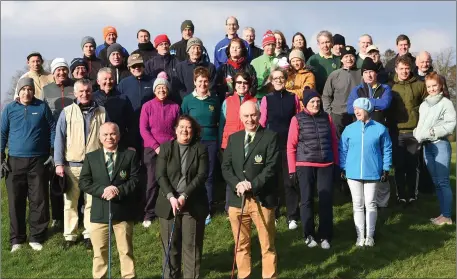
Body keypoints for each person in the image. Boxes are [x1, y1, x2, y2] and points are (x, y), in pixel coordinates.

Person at [222, 101, 280, 279]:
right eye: (246, 116)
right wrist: (237, 184)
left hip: (261, 199)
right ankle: (244, 276)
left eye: (253, 115)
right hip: (237, 199)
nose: (250, 119)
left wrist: (252, 184)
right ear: (240, 117)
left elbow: (271, 167)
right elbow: (226, 167)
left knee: (267, 245)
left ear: (259, 115)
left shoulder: (270, 137)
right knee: (241, 245)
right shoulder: (234, 138)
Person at [1, 77, 56, 252]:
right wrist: (1, 157)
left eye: (30, 89)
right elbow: (2, 133)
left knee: (38, 199)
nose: (27, 92)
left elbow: (53, 128)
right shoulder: (9, 109)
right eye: (23, 89)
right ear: (18, 91)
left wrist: (53, 151)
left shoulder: (41, 107)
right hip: (15, 161)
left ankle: (36, 236)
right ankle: (17, 238)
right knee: (15, 200)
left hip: (38, 161)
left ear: (34, 91)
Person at [79, 122, 139, 279]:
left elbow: (135, 180)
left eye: (112, 134)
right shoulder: (91, 157)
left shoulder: (129, 155)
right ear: (99, 137)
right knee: (99, 252)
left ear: (118, 136)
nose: (109, 137)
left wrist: (118, 190)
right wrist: (102, 191)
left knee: (126, 251)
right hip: (100, 211)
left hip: (123, 211)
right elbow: (84, 182)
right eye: (105, 134)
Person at [54, 79, 107, 249]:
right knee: (70, 202)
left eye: (88, 91)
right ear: (75, 93)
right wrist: (58, 163)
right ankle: (70, 235)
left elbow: (108, 137)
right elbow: (59, 139)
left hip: (94, 165)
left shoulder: (102, 112)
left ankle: (89, 234)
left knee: (91, 202)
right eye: (81, 91)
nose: (85, 94)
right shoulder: (67, 112)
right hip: (72, 165)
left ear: (92, 91)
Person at [155, 115, 209, 279]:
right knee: (171, 248)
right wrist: (171, 196)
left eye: (189, 127)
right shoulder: (166, 148)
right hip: (168, 204)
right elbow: (160, 175)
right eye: (182, 127)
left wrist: (185, 195)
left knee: (191, 247)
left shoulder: (200, 148)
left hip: (193, 204)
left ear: (193, 131)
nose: (185, 130)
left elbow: (201, 175)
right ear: (175, 129)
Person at [287, 89, 338, 249]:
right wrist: (292, 170)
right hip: (305, 164)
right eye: (312, 102)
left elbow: (334, 142)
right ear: (305, 104)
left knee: (326, 200)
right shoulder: (297, 119)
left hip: (326, 164)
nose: (316, 104)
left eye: (317, 101)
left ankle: (325, 235)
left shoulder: (327, 118)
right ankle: (308, 234)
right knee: (307, 200)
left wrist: (336, 163)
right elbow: (291, 146)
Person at [339, 98, 392, 247]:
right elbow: (342, 149)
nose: (356, 111)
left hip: (373, 172)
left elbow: (387, 149)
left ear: (367, 110)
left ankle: (370, 236)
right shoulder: (349, 129)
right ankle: (359, 236)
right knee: (357, 204)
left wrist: (386, 168)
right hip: (352, 173)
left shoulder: (380, 129)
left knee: (371, 203)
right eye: (355, 108)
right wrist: (343, 167)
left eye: (359, 108)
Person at [260, 67, 301, 228]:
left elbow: (298, 119)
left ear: (285, 79)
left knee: (290, 180)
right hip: (272, 144)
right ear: (271, 80)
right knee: (273, 180)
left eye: (281, 78)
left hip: (290, 144)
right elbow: (262, 122)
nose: (278, 80)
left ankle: (292, 216)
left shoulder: (294, 97)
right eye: (275, 78)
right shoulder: (266, 99)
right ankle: (274, 213)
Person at [413, 72, 456, 225]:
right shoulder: (424, 104)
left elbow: (451, 124)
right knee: (436, 182)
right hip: (427, 146)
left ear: (440, 86)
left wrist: (433, 132)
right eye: (429, 86)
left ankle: (447, 216)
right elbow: (421, 125)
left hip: (440, 145)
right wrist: (417, 134)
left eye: (434, 86)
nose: (431, 89)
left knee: (443, 181)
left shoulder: (446, 103)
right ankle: (443, 214)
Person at [139, 73, 180, 227]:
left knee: (170, 180)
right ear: (154, 90)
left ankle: (169, 208)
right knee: (151, 181)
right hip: (151, 149)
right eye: (159, 87)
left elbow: (178, 128)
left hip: (170, 148)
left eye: (164, 87)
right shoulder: (147, 106)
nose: (162, 90)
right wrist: (156, 147)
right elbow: (143, 129)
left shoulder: (175, 107)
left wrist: (170, 145)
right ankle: (149, 213)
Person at [181, 67, 221, 225]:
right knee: (192, 174)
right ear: (194, 82)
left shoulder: (214, 99)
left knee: (209, 176)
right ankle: (191, 205)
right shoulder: (188, 100)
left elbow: (219, 120)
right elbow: (183, 120)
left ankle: (207, 209)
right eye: (200, 81)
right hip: (193, 142)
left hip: (211, 141)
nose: (203, 84)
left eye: (206, 81)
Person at [386, 56, 427, 204]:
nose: (404, 71)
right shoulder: (389, 86)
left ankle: (412, 195)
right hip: (396, 132)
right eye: (401, 68)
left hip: (414, 132)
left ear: (411, 69)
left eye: (407, 68)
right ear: (396, 69)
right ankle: (401, 195)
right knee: (399, 165)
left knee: (412, 165)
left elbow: (427, 105)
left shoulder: (419, 85)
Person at [118, 54, 155, 152]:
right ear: (129, 68)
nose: (137, 68)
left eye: (139, 65)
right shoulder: (123, 83)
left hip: (149, 128)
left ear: (143, 66)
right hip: (130, 128)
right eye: (134, 66)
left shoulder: (152, 81)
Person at [322, 45, 361, 139]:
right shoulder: (334, 75)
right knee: (338, 144)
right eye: (346, 56)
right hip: (337, 116)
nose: (349, 59)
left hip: (356, 115)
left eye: (351, 56)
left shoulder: (361, 73)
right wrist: (329, 114)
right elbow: (326, 96)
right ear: (341, 59)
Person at [93, 68, 131, 148]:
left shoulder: (123, 98)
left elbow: (130, 122)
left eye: (110, 79)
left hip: (119, 142)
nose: (108, 82)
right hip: (97, 143)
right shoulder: (92, 98)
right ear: (98, 81)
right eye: (105, 79)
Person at [176, 37, 217, 104]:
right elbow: (178, 88)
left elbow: (212, 86)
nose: (196, 51)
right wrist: (188, 99)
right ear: (188, 50)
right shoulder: (180, 67)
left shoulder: (210, 67)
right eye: (193, 48)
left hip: (205, 102)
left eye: (198, 48)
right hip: (186, 103)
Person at [144, 34, 180, 102]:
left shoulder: (176, 61)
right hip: (155, 99)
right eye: (161, 44)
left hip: (174, 99)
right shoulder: (150, 64)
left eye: (166, 44)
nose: (164, 46)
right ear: (156, 47)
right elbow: (146, 82)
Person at [250, 30, 277, 100]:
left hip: (275, 97)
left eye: (273, 44)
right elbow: (252, 82)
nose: (271, 47)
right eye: (268, 44)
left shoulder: (279, 61)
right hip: (259, 98)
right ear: (264, 46)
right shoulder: (255, 62)